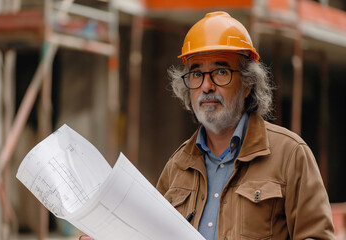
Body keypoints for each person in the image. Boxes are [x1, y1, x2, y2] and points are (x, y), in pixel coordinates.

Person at [80, 11, 335, 240]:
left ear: (247, 84)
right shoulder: (177, 167)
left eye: (221, 72)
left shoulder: (290, 155)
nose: (207, 85)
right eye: (197, 73)